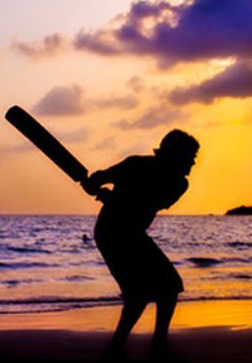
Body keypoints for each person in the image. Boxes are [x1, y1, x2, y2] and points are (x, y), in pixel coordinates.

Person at [82, 129, 200, 360]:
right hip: (112, 232)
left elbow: (144, 204)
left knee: (164, 287)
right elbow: (104, 178)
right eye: (190, 156)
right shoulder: (139, 166)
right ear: (175, 155)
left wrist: (104, 193)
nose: (194, 162)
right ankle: (142, 345)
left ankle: (142, 344)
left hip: (131, 232)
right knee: (152, 290)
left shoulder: (177, 183)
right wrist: (95, 182)